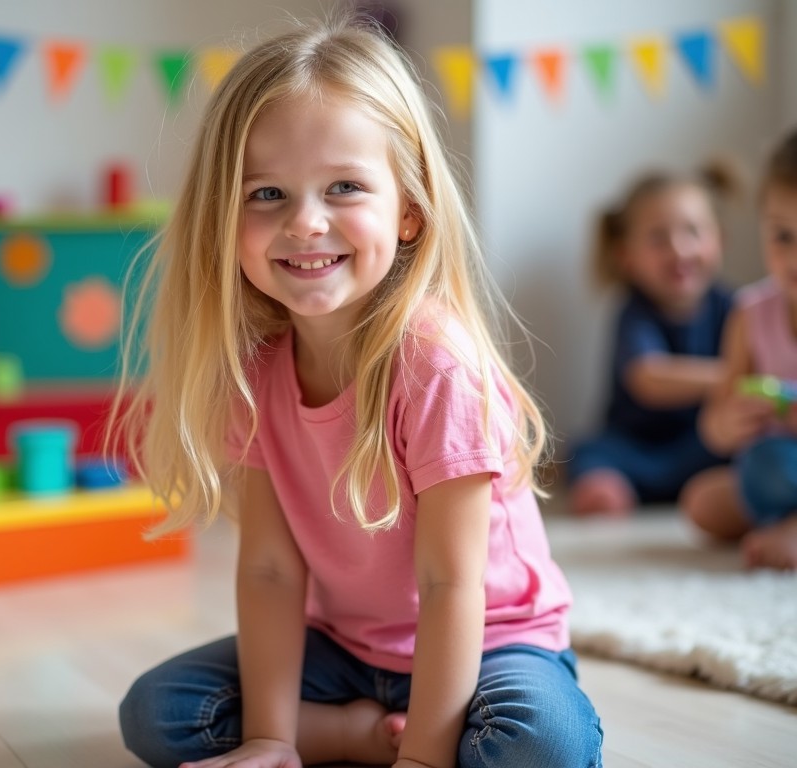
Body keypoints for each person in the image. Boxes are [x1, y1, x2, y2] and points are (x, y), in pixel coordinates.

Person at [108, 15, 602, 768]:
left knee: (540, 745)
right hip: (341, 650)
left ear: (407, 210)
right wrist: (272, 737)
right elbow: (272, 570)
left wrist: (428, 758)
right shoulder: (254, 372)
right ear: (224, 220)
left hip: (492, 640)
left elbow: (450, 583)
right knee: (157, 713)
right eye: (267, 193)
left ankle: (414, 738)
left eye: (344, 187)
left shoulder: (437, 366)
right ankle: (354, 735)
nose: (306, 223)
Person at [565, 164, 738, 516]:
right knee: (590, 453)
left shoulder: (737, 308)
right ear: (626, 256)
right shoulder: (634, 312)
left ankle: (723, 494)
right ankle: (607, 490)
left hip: (703, 444)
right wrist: (732, 375)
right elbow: (648, 377)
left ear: (719, 240)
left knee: (740, 443)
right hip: (636, 447)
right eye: (659, 238)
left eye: (693, 232)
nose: (679, 249)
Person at [681, 128, 797, 570]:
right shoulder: (750, 313)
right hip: (774, 467)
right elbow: (713, 420)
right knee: (702, 503)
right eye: (783, 236)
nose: (794, 257)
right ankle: (781, 519)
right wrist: (730, 423)